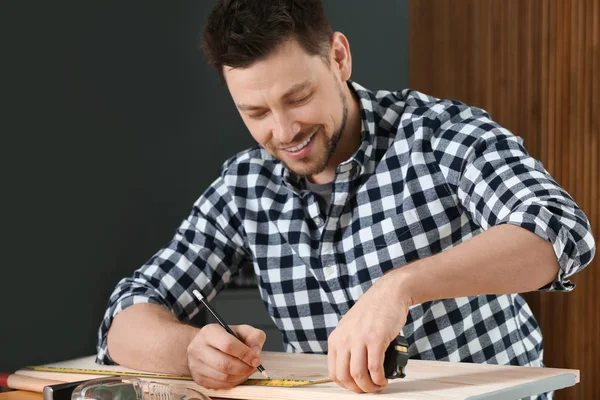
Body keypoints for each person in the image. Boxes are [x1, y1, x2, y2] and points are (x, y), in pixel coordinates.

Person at [96, 0, 596, 397]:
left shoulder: (439, 134)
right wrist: (190, 350)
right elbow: (128, 313)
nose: (284, 131)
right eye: (256, 112)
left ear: (338, 57)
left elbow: (559, 232)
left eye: (298, 98)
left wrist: (399, 288)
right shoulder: (245, 185)